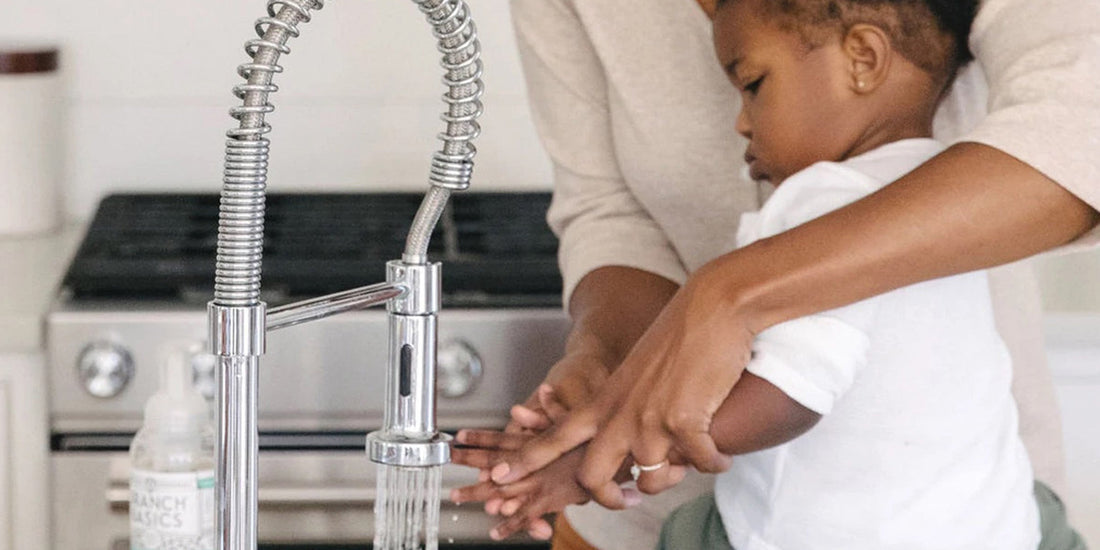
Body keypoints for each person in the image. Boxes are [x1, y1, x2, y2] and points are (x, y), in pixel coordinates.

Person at [452, 0, 1100, 547]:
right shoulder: (920, 168)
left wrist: (617, 446)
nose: (740, 122)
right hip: (994, 511)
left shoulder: (820, 200)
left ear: (865, 58)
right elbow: (610, 210)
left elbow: (793, 394)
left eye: (752, 86)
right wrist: (609, 369)